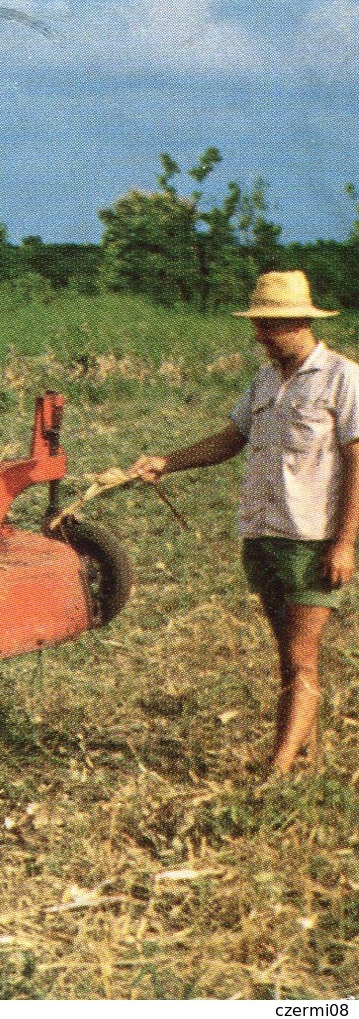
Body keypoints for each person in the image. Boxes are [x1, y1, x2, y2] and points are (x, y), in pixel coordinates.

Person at [131, 270, 359, 777]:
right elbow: (230, 438)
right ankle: (307, 755)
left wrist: (345, 543)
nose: (258, 335)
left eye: (268, 326)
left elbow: (357, 464)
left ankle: (274, 774)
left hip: (311, 540)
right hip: (263, 536)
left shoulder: (344, 378)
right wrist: (166, 461)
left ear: (299, 321)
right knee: (290, 659)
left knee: (301, 660)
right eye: (257, 325)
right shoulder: (264, 381)